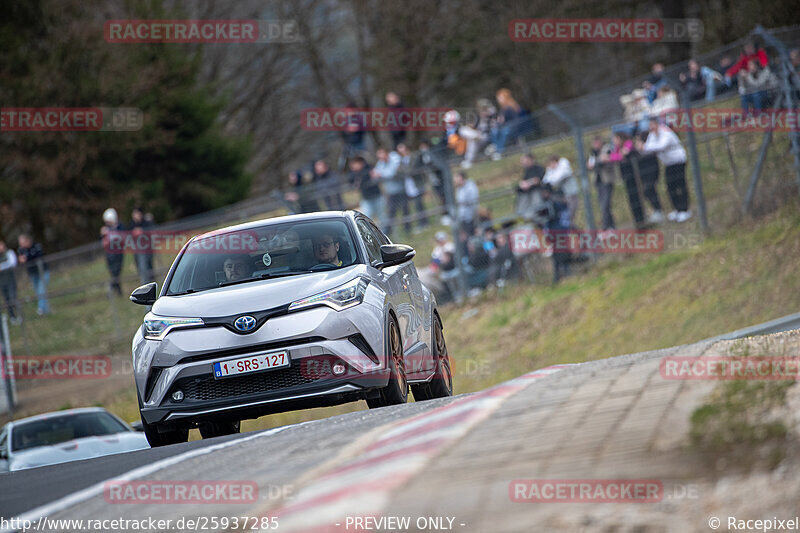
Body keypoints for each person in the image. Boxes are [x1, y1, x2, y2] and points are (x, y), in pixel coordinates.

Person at [636, 118, 690, 222]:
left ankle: (685, 209)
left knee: (680, 185)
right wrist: (641, 148)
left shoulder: (666, 133)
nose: (652, 128)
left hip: (678, 161)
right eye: (650, 126)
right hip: (668, 164)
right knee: (670, 187)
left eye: (653, 125)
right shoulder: (652, 136)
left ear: (658, 125)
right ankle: (677, 209)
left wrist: (644, 146)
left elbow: (661, 146)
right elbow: (649, 149)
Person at [372, 147, 407, 237]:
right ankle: (389, 232)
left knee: (404, 209)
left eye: (381, 155)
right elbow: (375, 172)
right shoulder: (381, 162)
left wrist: (381, 174)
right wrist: (379, 174)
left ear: (386, 153)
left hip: (401, 188)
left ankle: (407, 228)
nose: (380, 158)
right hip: (390, 192)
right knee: (391, 212)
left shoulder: (395, 157)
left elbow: (392, 173)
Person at [636, 131, 666, 223]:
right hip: (644, 174)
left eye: (638, 140)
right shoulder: (639, 151)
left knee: (648, 190)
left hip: (651, 172)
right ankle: (657, 211)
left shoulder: (648, 149)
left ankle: (659, 211)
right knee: (647, 191)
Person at [397, 143, 428, 231]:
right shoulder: (402, 160)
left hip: (417, 184)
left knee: (419, 205)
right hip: (408, 186)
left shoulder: (414, 157)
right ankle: (418, 224)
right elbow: (399, 172)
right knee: (413, 205)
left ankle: (423, 223)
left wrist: (403, 170)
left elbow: (411, 170)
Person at [587, 136, 616, 231]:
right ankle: (611, 227)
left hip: (607, 180)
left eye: (596, 143)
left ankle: (605, 228)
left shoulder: (607, 148)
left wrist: (597, 161)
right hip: (598, 181)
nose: (595, 145)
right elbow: (590, 165)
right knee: (603, 205)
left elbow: (606, 159)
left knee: (605, 205)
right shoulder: (593, 153)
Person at [17, 234, 50, 315]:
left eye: (22, 242)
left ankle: (41, 308)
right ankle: (46, 311)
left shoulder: (36, 246)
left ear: (27, 241)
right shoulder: (21, 250)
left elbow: (38, 256)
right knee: (38, 291)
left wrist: (27, 258)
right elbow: (20, 260)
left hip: (43, 271)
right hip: (32, 273)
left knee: (41, 289)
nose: (21, 245)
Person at [543, 155, 580, 227]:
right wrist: (550, 171)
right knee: (567, 219)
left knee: (570, 217)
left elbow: (555, 180)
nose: (551, 166)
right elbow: (546, 180)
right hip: (564, 196)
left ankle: (578, 234)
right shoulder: (555, 170)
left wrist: (551, 171)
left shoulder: (564, 167)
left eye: (552, 163)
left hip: (571, 194)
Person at [349, 156, 384, 224]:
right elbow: (352, 182)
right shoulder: (355, 174)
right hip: (366, 198)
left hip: (377, 196)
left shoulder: (369, 169)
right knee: (367, 217)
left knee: (382, 216)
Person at [100, 208, 125, 296]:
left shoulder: (120, 227)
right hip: (110, 255)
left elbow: (123, 238)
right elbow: (103, 242)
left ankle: (113, 289)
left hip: (118, 254)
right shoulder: (106, 229)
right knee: (113, 273)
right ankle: (117, 291)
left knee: (116, 272)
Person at [515, 152, 545, 221]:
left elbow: (538, 180)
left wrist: (529, 183)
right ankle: (523, 215)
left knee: (535, 196)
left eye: (526, 162)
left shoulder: (538, 168)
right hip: (527, 193)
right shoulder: (527, 171)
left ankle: (534, 214)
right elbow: (523, 181)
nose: (525, 164)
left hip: (538, 191)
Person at [129, 207, 155, 285]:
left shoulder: (146, 222)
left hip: (147, 248)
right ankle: (146, 283)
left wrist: (142, 231)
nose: (135, 216)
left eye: (136, 213)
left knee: (148, 265)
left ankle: (149, 282)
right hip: (138, 249)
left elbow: (152, 230)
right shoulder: (132, 224)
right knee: (141, 266)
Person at [453, 171, 479, 236]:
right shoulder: (459, 189)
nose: (454, 180)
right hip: (463, 219)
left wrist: (476, 223)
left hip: (471, 218)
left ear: (461, 178)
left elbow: (473, 203)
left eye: (456, 177)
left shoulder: (470, 187)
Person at [0, 241, 20, 324]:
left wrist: (2, 267)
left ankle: (19, 314)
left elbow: (12, 263)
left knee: (13, 298)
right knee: (7, 300)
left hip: (10, 280)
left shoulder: (9, 253)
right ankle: (12, 317)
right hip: (1, 282)